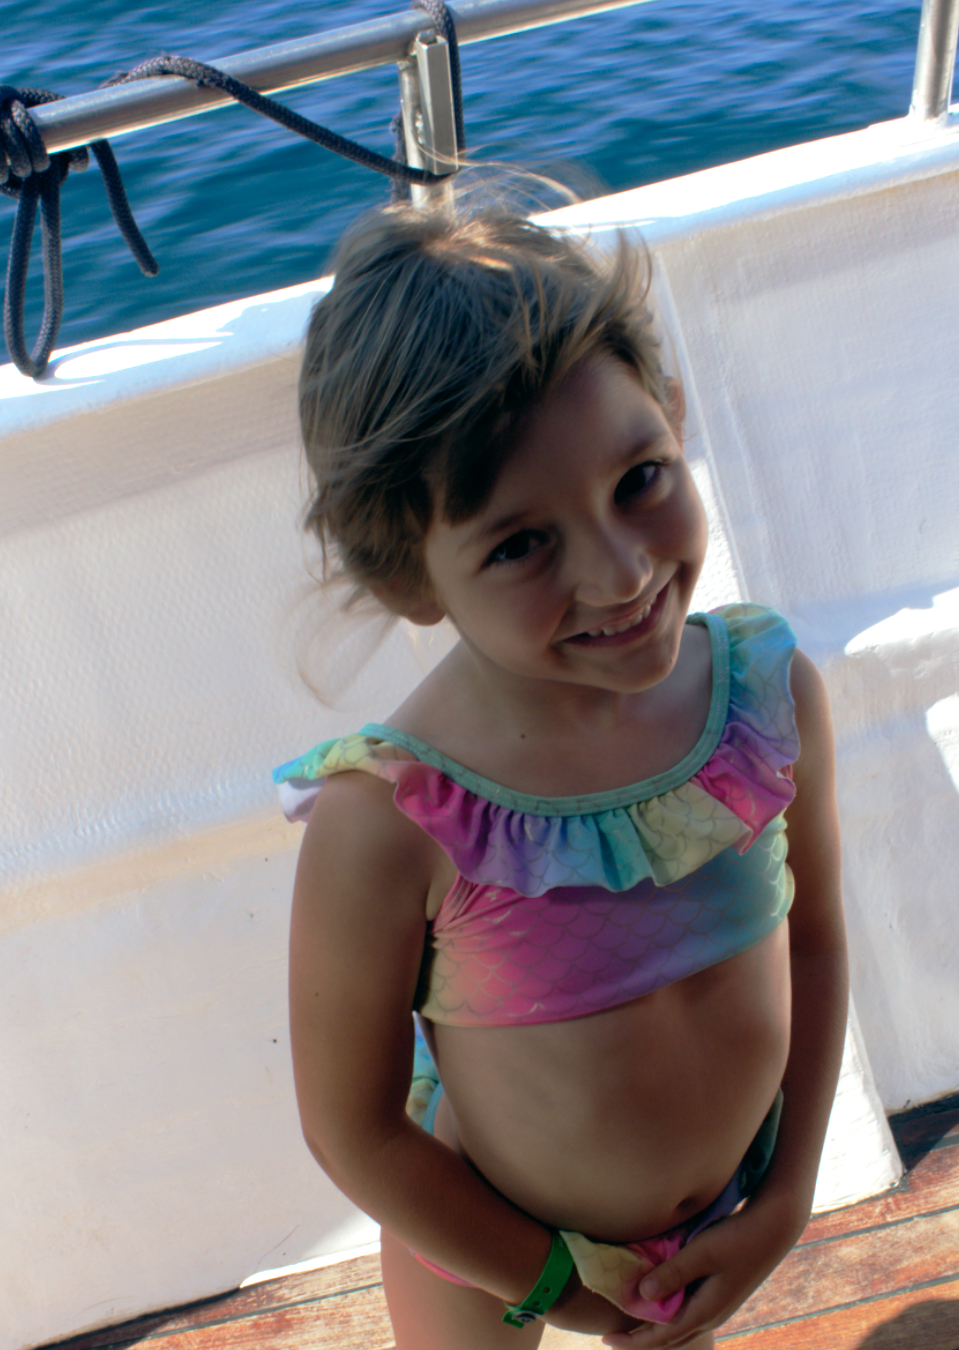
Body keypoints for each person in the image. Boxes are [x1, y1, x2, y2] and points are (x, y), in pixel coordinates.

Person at [274, 203, 847, 1350]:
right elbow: (357, 1130)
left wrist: (785, 1200)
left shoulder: (767, 697)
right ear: (406, 573)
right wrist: (560, 1289)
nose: (622, 571)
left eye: (640, 477)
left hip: (718, 1225)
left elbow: (817, 938)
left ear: (673, 414)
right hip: (488, 1256)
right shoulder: (392, 819)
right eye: (521, 543)